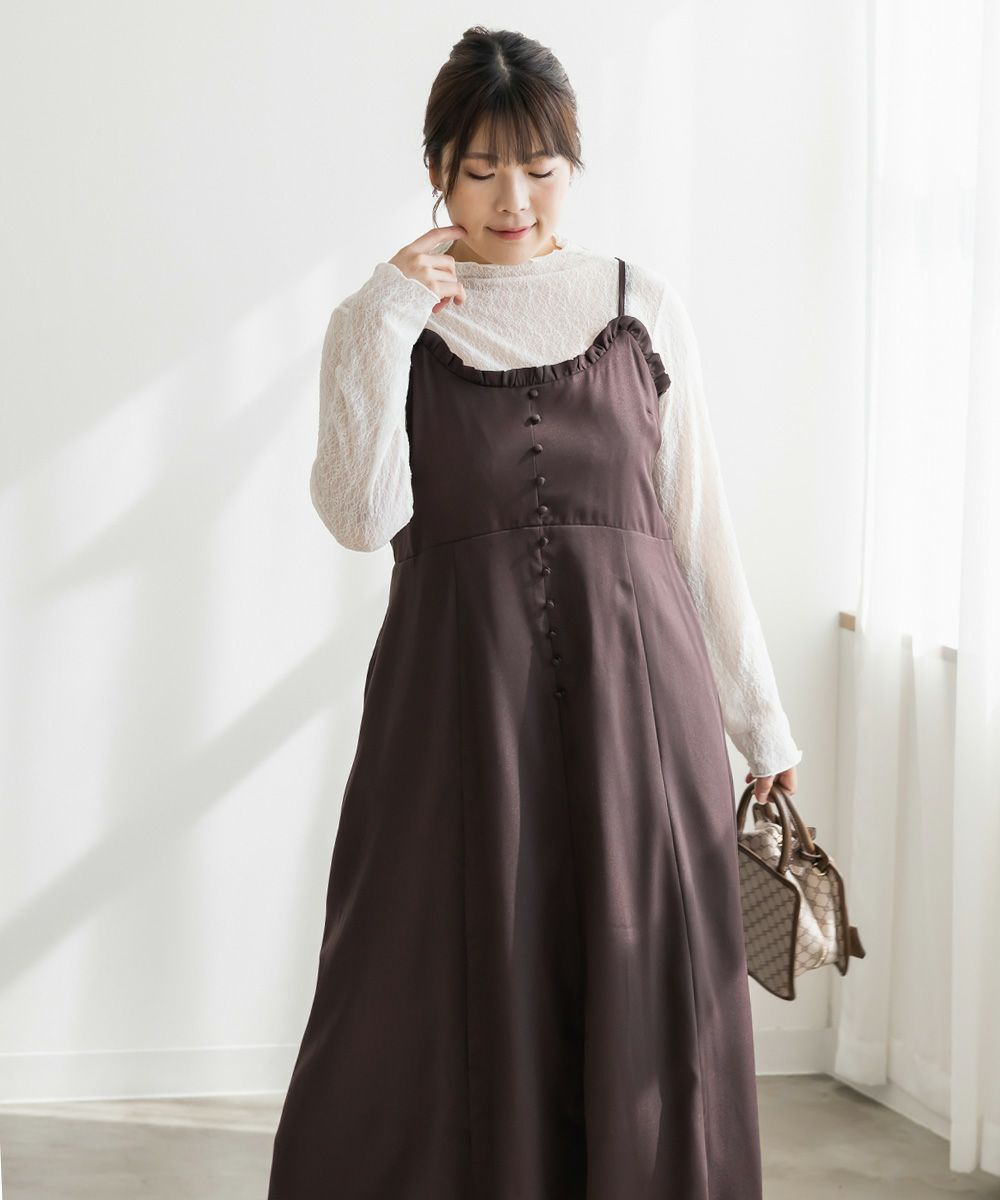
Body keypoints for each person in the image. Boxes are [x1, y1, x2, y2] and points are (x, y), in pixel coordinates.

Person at [267, 25, 801, 1200]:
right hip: (456, 718)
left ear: (571, 165)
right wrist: (385, 313)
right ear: (436, 172)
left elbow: (698, 527)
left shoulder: (639, 303)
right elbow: (361, 517)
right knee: (425, 984)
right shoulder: (386, 321)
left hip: (639, 711)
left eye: (540, 168)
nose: (513, 200)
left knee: (643, 988)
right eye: (479, 171)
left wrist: (760, 724)